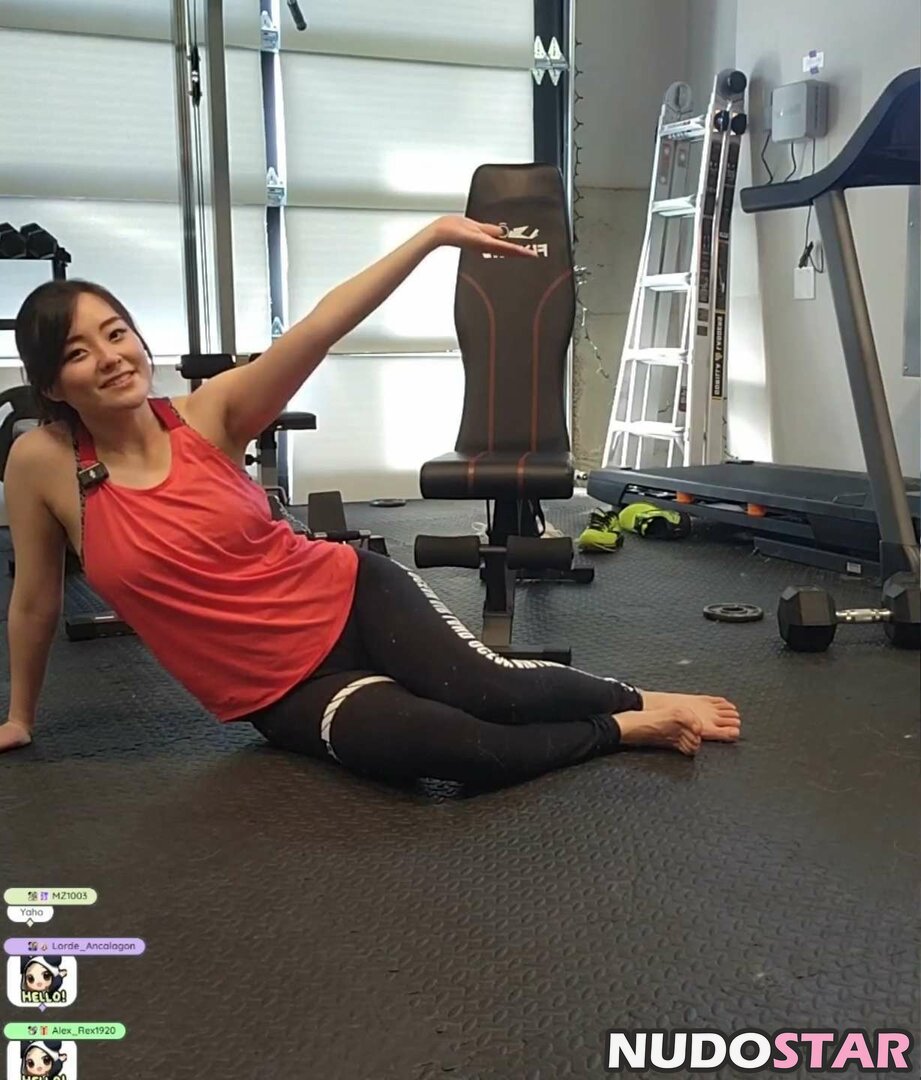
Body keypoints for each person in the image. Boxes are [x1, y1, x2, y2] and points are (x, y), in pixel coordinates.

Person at [1, 216, 740, 785]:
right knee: (450, 750)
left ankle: (632, 697)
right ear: (51, 382)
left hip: (350, 597)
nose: (110, 358)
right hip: (280, 691)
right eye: (78, 352)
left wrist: (431, 237)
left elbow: (322, 326)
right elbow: (35, 600)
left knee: (492, 690)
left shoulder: (208, 416)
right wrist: (20, 716)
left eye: (116, 333)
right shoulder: (42, 465)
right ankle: (622, 729)